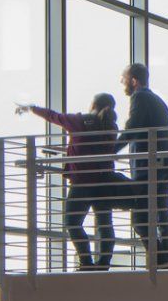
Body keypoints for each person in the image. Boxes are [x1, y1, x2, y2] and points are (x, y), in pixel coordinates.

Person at [17, 94, 125, 270]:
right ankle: (104, 263)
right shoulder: (111, 126)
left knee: (72, 223)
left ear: (93, 104)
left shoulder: (79, 120)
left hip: (81, 183)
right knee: (105, 223)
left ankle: (86, 262)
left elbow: (53, 116)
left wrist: (31, 107)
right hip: (104, 181)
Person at [117, 62, 168, 268]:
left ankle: (159, 259)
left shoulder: (140, 97)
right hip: (163, 165)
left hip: (149, 168)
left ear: (134, 80)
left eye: (124, 78)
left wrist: (108, 150)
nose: (121, 82)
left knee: (140, 218)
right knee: (162, 212)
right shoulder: (157, 100)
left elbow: (132, 128)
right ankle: (165, 260)